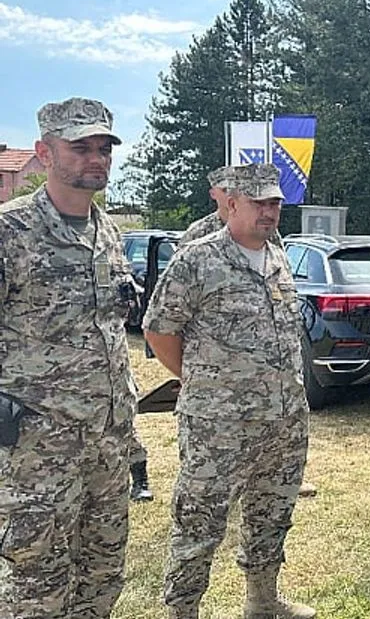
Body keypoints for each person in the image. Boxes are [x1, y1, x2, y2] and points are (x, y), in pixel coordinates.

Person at [143, 163, 315, 619]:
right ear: (231, 203)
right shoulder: (197, 259)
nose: (269, 210)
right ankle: (183, 612)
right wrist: (203, 381)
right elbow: (159, 330)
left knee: (271, 515)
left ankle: (262, 602)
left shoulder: (277, 255)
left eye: (275, 202)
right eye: (259, 202)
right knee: (198, 524)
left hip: (284, 422)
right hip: (218, 427)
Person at [0, 97, 138, 617]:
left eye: (103, 148)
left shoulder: (108, 233)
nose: (95, 158)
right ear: (43, 150)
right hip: (39, 449)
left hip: (108, 441)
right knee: (38, 585)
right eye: (80, 147)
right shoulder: (10, 231)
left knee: (103, 574)